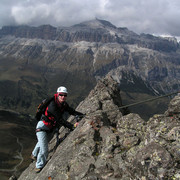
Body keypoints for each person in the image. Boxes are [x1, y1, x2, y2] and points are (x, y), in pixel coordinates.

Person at [31, 86, 84, 173]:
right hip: (42, 127)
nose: (63, 97)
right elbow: (60, 120)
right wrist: (72, 126)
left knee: (42, 142)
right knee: (44, 150)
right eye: (61, 95)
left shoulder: (63, 104)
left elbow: (71, 111)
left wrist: (82, 115)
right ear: (57, 94)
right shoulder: (53, 106)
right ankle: (39, 166)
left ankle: (33, 154)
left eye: (65, 95)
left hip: (49, 128)